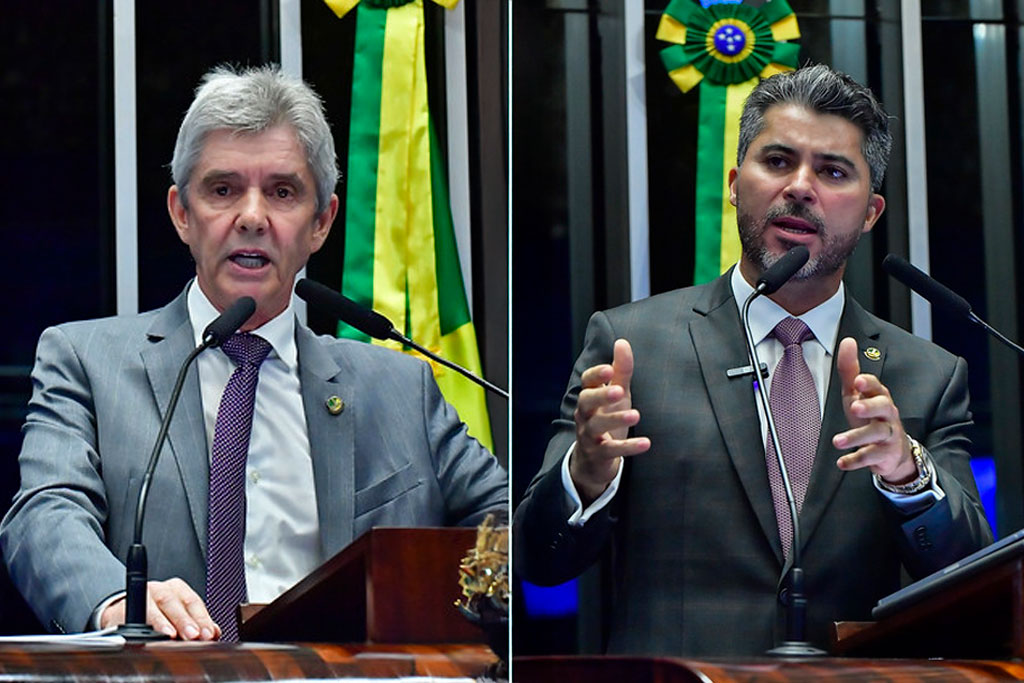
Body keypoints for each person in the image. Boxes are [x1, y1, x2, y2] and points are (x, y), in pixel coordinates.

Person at [1, 65, 507, 641]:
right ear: (181, 213)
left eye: (282, 192)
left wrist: (580, 477)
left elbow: (508, 529)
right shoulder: (85, 361)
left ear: (321, 222)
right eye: (222, 190)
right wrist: (120, 600)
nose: (251, 216)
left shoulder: (400, 389)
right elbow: (44, 516)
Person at [513, 64, 993, 656]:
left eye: (833, 171)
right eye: (777, 161)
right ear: (737, 183)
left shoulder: (926, 375)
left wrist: (907, 473)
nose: (800, 186)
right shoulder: (632, 345)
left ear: (870, 212)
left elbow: (970, 578)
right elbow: (539, 560)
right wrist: (585, 474)